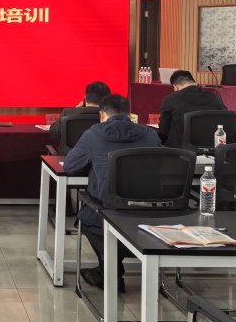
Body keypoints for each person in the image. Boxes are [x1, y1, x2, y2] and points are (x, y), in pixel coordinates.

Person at [63, 94, 161, 293]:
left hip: (107, 218)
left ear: (102, 115)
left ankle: (109, 272)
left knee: (89, 211)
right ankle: (111, 271)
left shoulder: (92, 135)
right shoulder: (151, 135)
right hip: (150, 218)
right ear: (130, 115)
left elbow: (70, 166)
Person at [159, 70, 226, 148]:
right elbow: (225, 119)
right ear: (195, 83)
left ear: (175, 87)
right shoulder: (214, 97)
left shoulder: (170, 100)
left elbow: (165, 130)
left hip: (179, 150)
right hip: (210, 147)